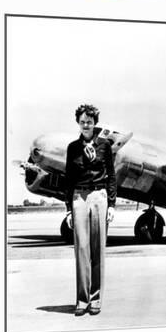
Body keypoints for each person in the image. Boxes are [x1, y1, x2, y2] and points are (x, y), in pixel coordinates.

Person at [64, 104, 116, 316]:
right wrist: (69, 209)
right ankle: (82, 300)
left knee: (98, 251)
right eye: (83, 121)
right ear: (78, 122)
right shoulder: (72, 148)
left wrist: (111, 204)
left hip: (99, 196)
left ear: (95, 123)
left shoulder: (105, 146)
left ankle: (95, 300)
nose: (86, 125)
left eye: (90, 121)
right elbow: (68, 180)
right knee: (82, 250)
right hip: (79, 197)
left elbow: (111, 176)